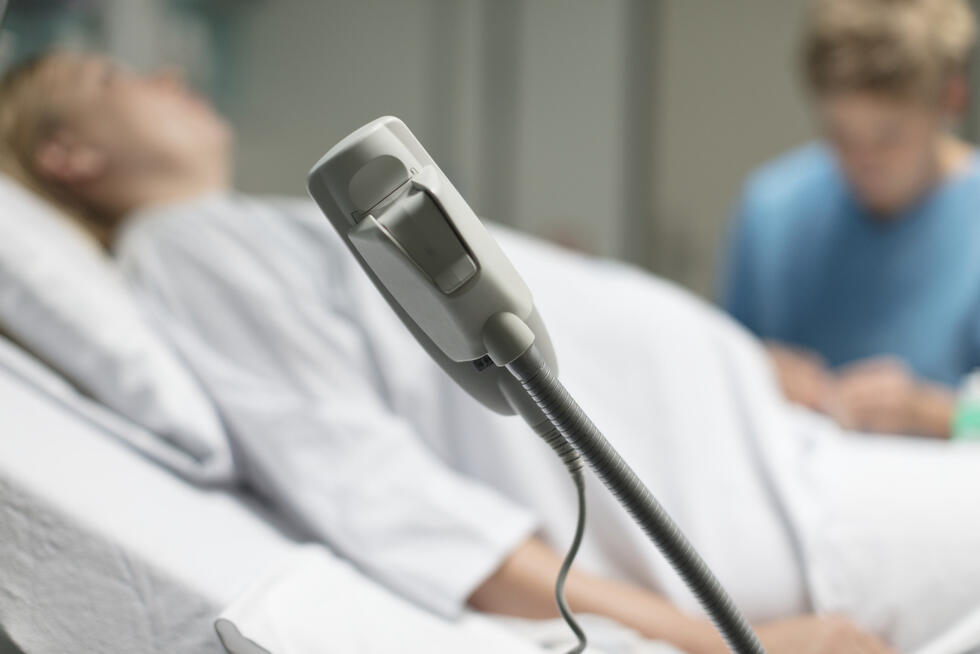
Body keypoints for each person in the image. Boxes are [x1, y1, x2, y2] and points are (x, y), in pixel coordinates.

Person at [10, 49, 979, 654]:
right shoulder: (185, 252)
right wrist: (726, 640)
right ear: (68, 157)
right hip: (787, 520)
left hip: (785, 461)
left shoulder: (250, 232)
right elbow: (391, 505)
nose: (165, 75)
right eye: (110, 77)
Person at [721, 0, 980, 439]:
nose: (863, 161)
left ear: (951, 100)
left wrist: (940, 416)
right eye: (840, 135)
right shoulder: (773, 210)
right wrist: (755, 376)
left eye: (889, 136)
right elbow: (716, 383)